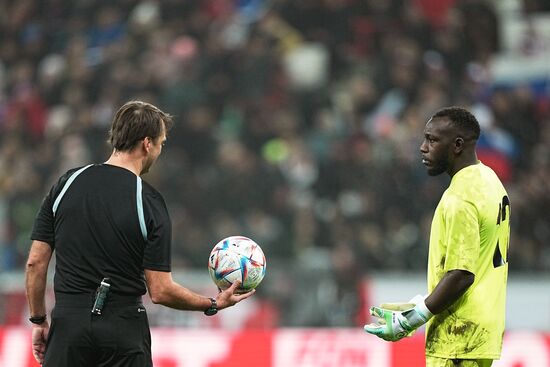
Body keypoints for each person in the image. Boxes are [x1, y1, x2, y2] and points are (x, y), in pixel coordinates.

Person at [25, 100, 254, 367]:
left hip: (68, 326)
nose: (159, 151)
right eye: (161, 143)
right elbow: (160, 290)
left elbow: (35, 262)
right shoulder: (148, 200)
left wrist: (39, 320)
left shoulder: (66, 184)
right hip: (122, 330)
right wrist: (212, 303)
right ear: (147, 143)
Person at [364, 106, 510, 367]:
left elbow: (462, 274)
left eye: (432, 139)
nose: (423, 147)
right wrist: (423, 301)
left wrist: (414, 317)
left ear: (457, 145)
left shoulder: (460, 198)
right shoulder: (489, 179)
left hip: (457, 336)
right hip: (481, 330)